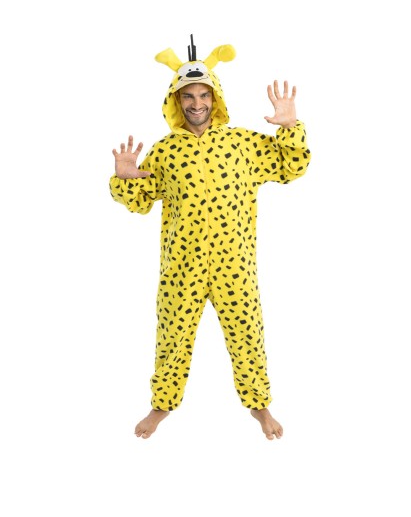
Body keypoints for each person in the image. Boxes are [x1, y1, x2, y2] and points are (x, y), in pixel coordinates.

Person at [109, 37, 311, 440]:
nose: (197, 103)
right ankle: (160, 406)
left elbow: (291, 167)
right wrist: (125, 178)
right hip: (182, 267)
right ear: (176, 100)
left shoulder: (242, 144)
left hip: (234, 265)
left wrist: (290, 127)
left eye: (204, 95)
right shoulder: (165, 152)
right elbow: (140, 201)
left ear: (215, 98)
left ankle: (260, 407)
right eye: (188, 96)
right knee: (172, 337)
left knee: (247, 335)